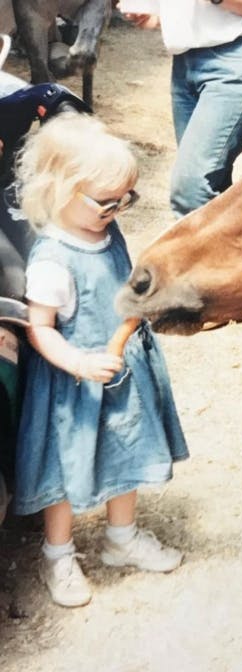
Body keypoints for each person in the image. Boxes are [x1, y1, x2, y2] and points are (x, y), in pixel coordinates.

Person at [12, 112, 189, 608]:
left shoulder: (107, 232)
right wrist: (78, 363)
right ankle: (58, 553)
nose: (117, 209)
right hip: (75, 389)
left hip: (122, 377)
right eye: (106, 201)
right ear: (60, 190)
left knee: (127, 454)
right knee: (64, 472)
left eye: (124, 199)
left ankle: (121, 538)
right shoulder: (52, 260)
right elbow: (40, 328)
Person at [122, 0, 242, 218]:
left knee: (191, 190)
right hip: (184, 63)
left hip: (231, 64)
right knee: (213, 184)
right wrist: (156, 16)